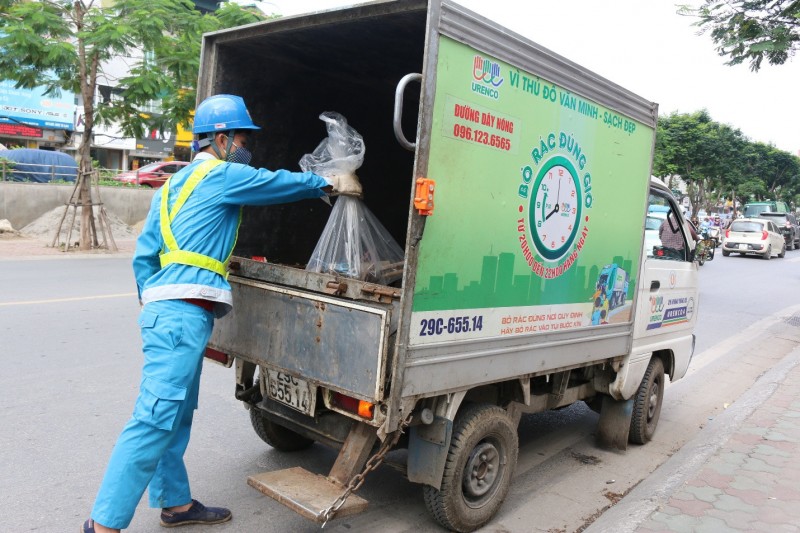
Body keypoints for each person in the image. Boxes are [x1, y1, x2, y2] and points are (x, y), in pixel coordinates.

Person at [81, 94, 361, 533]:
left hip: (172, 312)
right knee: (154, 417)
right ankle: (103, 523)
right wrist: (326, 182)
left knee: (175, 413)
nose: (246, 145)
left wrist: (155, 301)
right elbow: (274, 184)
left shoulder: (173, 185)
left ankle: (175, 504)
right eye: (242, 137)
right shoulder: (221, 174)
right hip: (179, 315)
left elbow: (145, 256)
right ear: (220, 138)